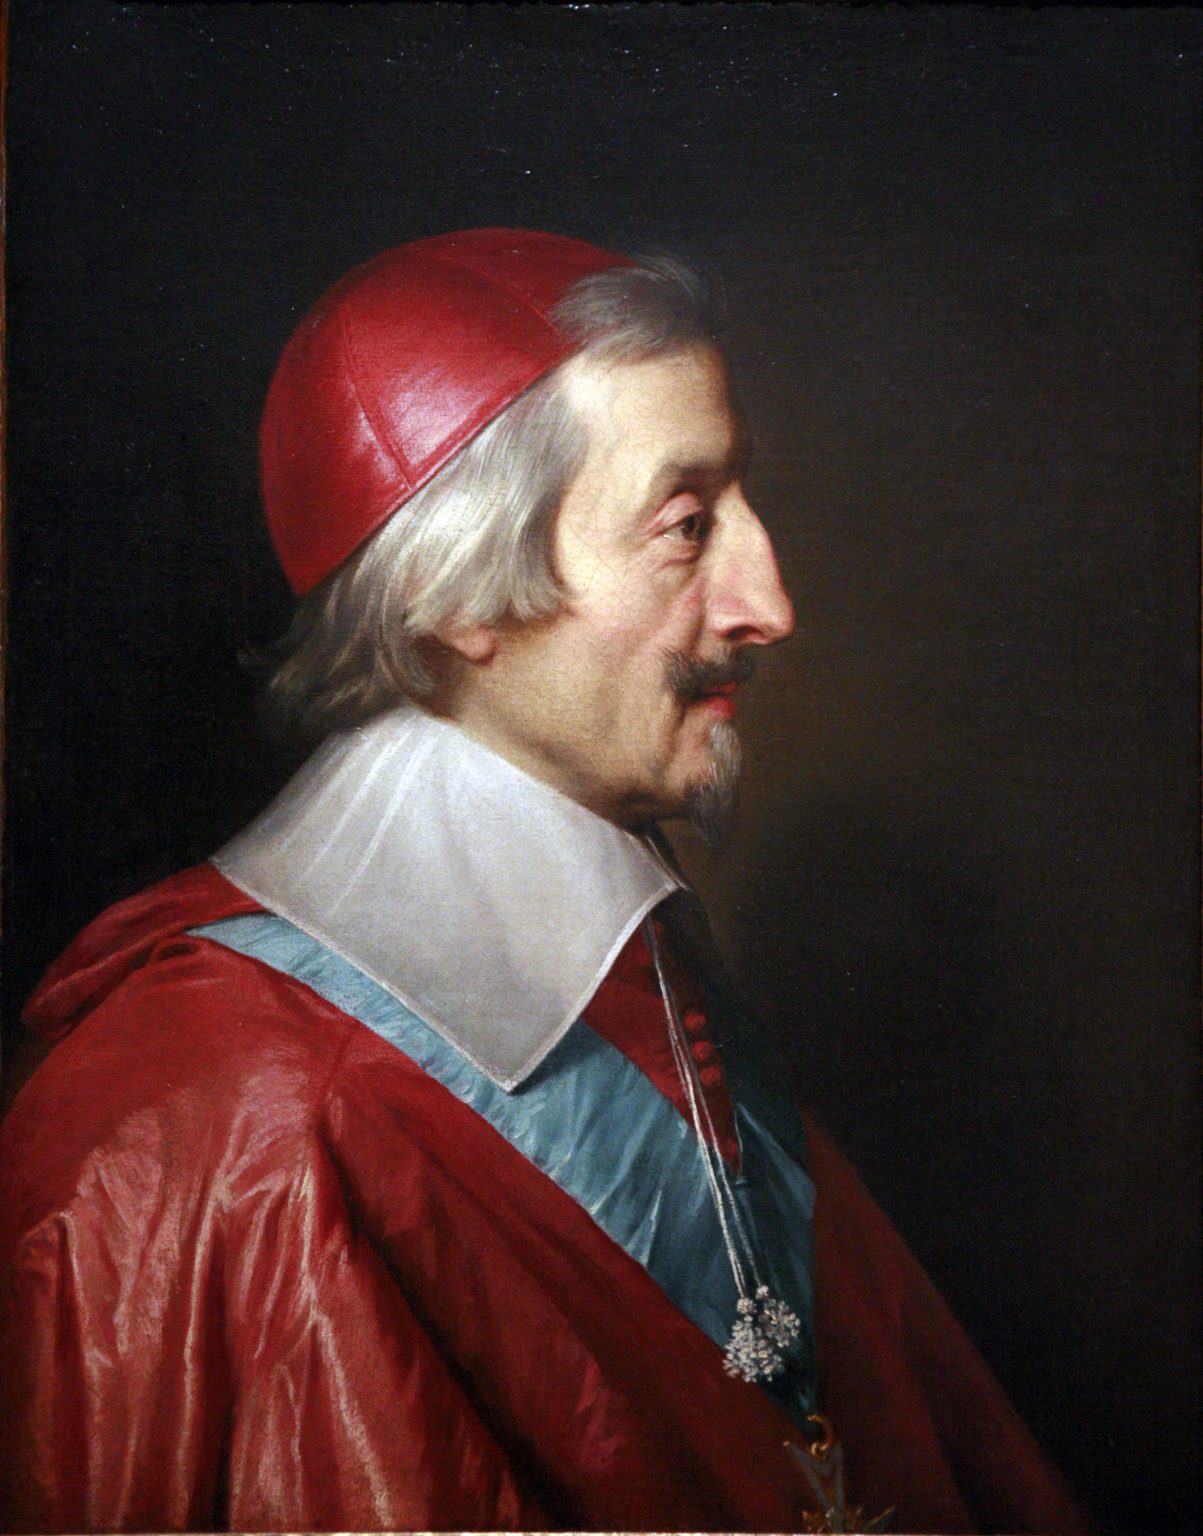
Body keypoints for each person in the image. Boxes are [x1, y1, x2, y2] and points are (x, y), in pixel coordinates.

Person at [0, 229, 1088, 1534]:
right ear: (456, 595)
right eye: (687, 525)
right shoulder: (227, 1113)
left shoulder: (644, 956)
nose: (769, 602)